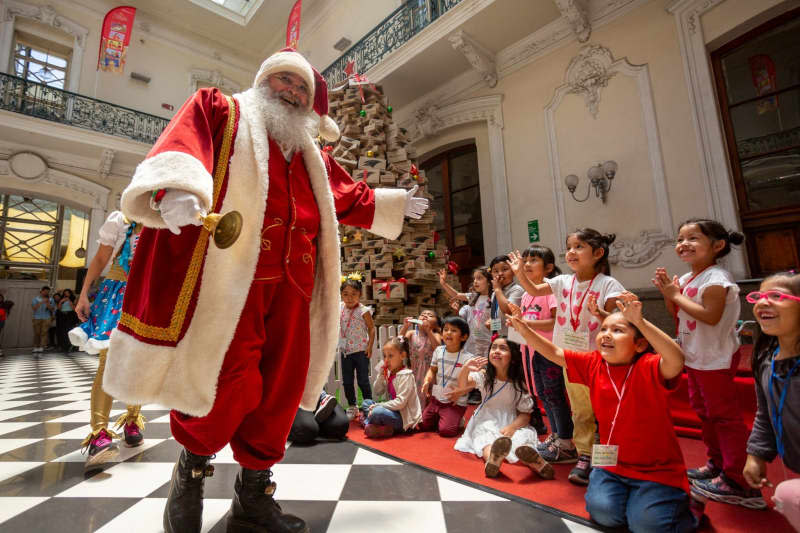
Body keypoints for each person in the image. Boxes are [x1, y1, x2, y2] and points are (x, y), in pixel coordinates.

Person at [105, 48, 427, 533]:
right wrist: (177, 187)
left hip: (295, 292)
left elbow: (344, 194)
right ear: (263, 80)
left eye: (302, 89)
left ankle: (253, 498)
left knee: (280, 392)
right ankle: (189, 475)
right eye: (284, 80)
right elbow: (183, 144)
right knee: (225, 383)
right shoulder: (223, 111)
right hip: (233, 285)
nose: (293, 92)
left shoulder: (310, 154)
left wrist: (394, 206)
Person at [509, 294, 697, 532]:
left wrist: (641, 322)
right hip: (611, 464)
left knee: (646, 526)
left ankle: (687, 506)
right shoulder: (594, 363)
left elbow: (676, 359)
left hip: (655, 469)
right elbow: (556, 353)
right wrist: (524, 330)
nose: (606, 334)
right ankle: (641, 501)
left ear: (639, 343)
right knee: (604, 514)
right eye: (603, 328)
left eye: (617, 330)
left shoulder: (649, 365)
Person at [652, 219, 764, 509]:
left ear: (717, 246)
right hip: (696, 356)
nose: (683, 244)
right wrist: (670, 296)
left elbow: (711, 316)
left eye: (693, 238)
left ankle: (738, 480)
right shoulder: (689, 279)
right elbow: (678, 315)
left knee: (724, 418)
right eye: (680, 239)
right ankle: (717, 464)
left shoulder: (717, 279)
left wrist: (675, 295)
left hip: (715, 357)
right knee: (705, 413)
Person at [510, 229, 625, 485]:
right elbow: (534, 288)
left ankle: (607, 458)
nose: (571, 252)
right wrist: (519, 272)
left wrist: (600, 315)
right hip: (571, 358)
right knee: (581, 410)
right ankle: (584, 454)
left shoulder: (608, 285)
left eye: (579, 247)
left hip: (599, 360)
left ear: (598, 253)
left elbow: (619, 322)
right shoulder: (562, 282)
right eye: (569, 247)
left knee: (604, 410)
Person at [69, 211, 146, 472]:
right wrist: (83, 295)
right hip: (115, 293)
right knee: (108, 360)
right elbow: (102, 258)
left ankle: (133, 420)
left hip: (146, 294)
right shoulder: (121, 219)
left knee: (138, 362)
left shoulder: (167, 219)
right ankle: (99, 433)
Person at [744, 271, 800, 525]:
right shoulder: (765, 359)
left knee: (786, 496)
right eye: (759, 296)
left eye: (776, 296)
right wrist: (756, 454)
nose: (763, 302)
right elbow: (764, 414)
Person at [454, 336, 553, 480]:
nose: (496, 351)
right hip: (485, 418)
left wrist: (513, 427)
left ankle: (536, 462)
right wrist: (465, 369)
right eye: (493, 347)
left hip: (511, 419)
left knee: (522, 437)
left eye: (503, 348)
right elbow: (463, 385)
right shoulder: (485, 376)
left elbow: (525, 414)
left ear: (513, 357)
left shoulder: (519, 383)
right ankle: (492, 459)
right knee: (485, 438)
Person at [514, 245, 574, 461]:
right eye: (525, 260)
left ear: (548, 268)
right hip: (533, 351)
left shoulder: (550, 291)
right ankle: (555, 435)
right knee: (544, 396)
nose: (527, 264)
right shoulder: (526, 295)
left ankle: (566, 442)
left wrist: (525, 323)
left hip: (550, 350)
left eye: (533, 260)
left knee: (555, 396)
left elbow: (555, 322)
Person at [420, 316, 474, 437]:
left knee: (446, 431)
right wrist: (427, 380)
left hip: (455, 402)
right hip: (437, 399)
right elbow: (432, 370)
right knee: (423, 425)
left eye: (454, 330)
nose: (448, 332)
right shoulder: (438, 351)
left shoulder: (468, 358)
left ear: (464, 337)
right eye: (446, 329)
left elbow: (473, 381)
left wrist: (462, 390)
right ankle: (442, 416)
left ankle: (457, 418)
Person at [360, 336, 422, 438]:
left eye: (390, 356)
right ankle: (380, 427)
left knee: (377, 412)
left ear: (402, 355)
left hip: (404, 419)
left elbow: (400, 403)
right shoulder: (388, 373)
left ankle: (368, 423)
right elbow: (377, 391)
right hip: (391, 412)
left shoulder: (406, 375)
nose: (386, 360)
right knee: (366, 402)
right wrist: (380, 375)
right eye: (384, 356)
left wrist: (379, 406)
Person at [339, 274, 376, 419]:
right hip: (345, 352)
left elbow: (372, 329)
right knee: (347, 381)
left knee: (363, 380)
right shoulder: (340, 307)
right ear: (341, 294)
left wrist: (370, 346)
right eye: (345, 294)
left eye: (354, 294)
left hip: (361, 351)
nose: (349, 298)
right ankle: (352, 406)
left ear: (360, 295)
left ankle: (368, 406)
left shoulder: (363, 311)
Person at [438, 267, 492, 358]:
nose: (475, 281)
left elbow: (497, 319)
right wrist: (443, 283)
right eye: (474, 278)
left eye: (479, 278)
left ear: (489, 281)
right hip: (472, 341)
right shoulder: (473, 297)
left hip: (487, 341)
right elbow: (456, 295)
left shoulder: (494, 297)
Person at [400, 309, 441, 405]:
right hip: (414, 370)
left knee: (429, 395)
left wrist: (429, 331)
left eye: (430, 315)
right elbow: (398, 342)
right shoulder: (412, 333)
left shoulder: (436, 335)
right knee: (415, 395)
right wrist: (405, 327)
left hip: (430, 372)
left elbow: (438, 349)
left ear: (435, 324)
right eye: (422, 314)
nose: (425, 316)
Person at [487, 255, 525, 337]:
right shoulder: (495, 293)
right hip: (502, 335)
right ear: (491, 274)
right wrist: (492, 325)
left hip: (515, 337)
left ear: (513, 271)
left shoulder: (517, 290)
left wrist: (497, 289)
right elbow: (498, 317)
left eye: (505, 269)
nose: (500, 273)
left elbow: (508, 310)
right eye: (496, 271)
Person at [31, 286, 54, 353]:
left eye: (48, 292)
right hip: (37, 318)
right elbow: (34, 308)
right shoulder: (36, 299)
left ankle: (42, 346)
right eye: (45, 291)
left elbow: (52, 309)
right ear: (41, 291)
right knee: (37, 333)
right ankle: (36, 346)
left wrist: (47, 303)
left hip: (47, 318)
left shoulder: (51, 299)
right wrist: (41, 302)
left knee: (44, 332)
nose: (46, 293)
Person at [56, 288, 78, 353]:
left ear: (70, 293)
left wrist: (69, 301)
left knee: (69, 330)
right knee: (62, 331)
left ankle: (70, 346)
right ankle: (63, 346)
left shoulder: (73, 299)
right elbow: (59, 308)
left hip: (70, 315)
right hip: (62, 316)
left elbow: (74, 308)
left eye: (67, 293)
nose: (66, 294)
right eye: (65, 293)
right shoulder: (62, 299)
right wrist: (61, 301)